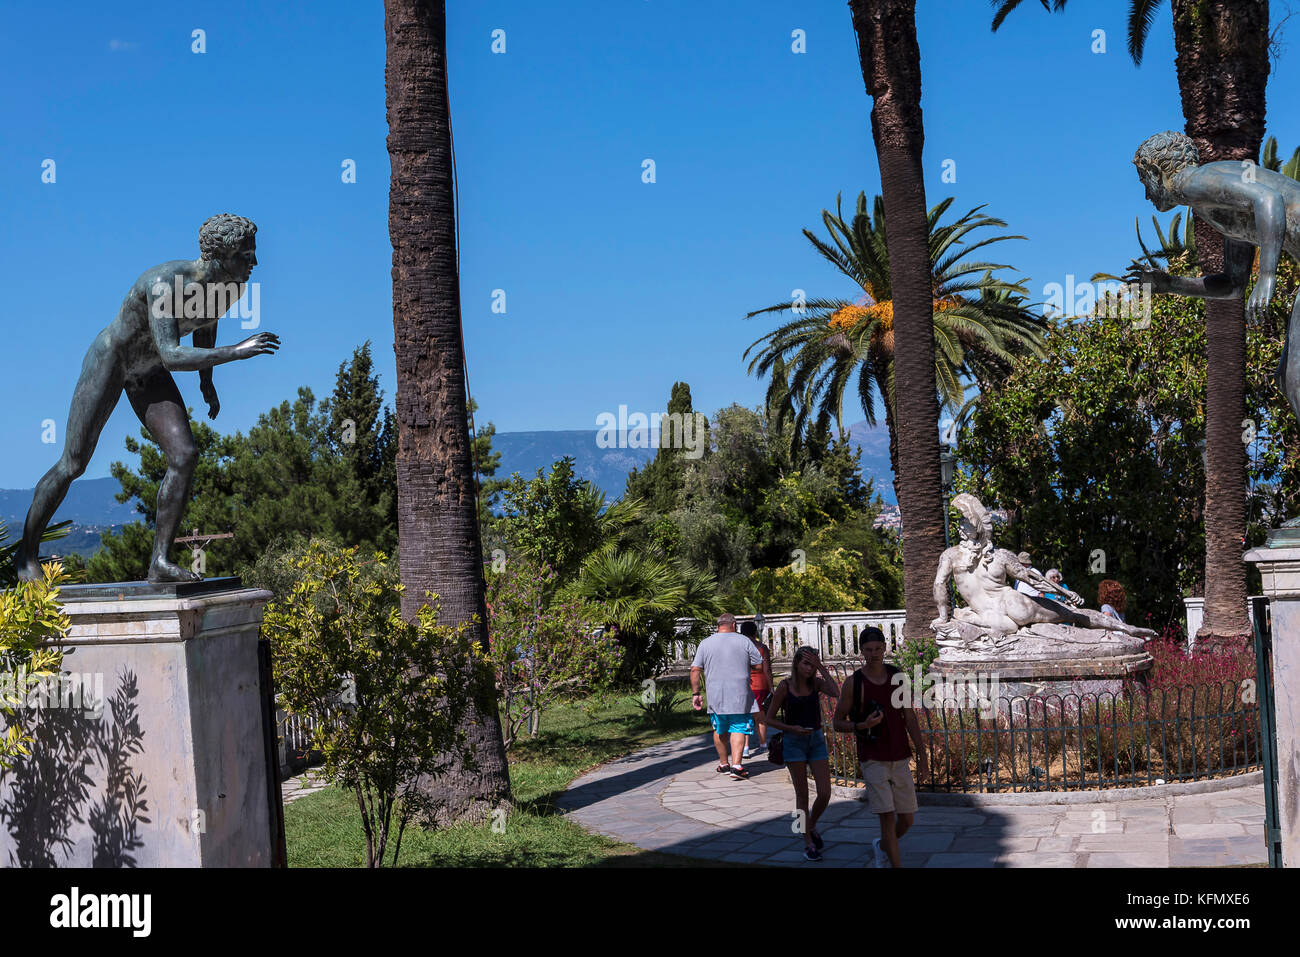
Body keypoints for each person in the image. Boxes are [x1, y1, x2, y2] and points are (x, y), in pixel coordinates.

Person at [14, 213, 278, 583]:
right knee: (73, 464)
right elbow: (171, 353)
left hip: (149, 371)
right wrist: (237, 352)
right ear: (219, 255)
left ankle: (159, 562)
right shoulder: (165, 284)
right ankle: (26, 555)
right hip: (113, 360)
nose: (254, 263)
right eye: (245, 255)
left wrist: (207, 382)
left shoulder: (230, 287)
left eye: (253, 254)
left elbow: (206, 324)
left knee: (184, 455)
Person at [833, 627, 928, 868]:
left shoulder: (898, 677)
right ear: (861, 651)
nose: (873, 654)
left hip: (899, 755)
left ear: (885, 647)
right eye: (868, 650)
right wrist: (862, 724)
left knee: (907, 820)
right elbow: (837, 722)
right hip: (873, 756)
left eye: (877, 648)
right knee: (886, 817)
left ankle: (884, 845)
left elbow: (910, 717)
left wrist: (923, 755)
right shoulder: (855, 683)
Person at [765, 646, 839, 861]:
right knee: (802, 795)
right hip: (794, 742)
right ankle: (806, 841)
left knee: (825, 792)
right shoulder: (785, 687)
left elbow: (836, 692)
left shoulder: (815, 683)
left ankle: (811, 824)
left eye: (812, 664)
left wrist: (821, 667)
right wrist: (791, 729)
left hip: (815, 740)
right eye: (806, 663)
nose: (809, 668)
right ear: (796, 663)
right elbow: (769, 719)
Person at [690, 613, 762, 780]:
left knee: (720, 728)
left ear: (718, 626)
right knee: (739, 726)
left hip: (716, 695)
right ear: (734, 625)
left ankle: (724, 764)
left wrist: (696, 693)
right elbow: (758, 665)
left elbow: (695, 670)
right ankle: (736, 766)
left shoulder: (705, 643)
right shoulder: (744, 641)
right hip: (740, 694)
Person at [741, 620, 773, 758]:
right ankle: (763, 744)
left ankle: (746, 748)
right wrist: (771, 686)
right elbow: (766, 669)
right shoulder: (762, 647)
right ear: (755, 632)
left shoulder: (739, 647)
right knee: (760, 716)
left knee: (745, 716)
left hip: (744, 685)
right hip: (760, 685)